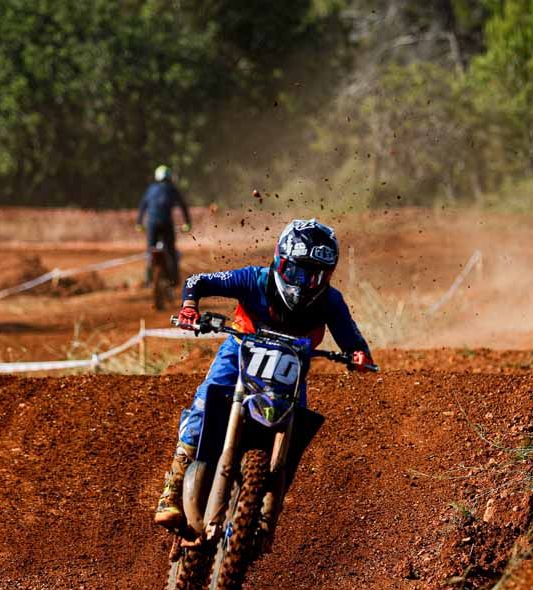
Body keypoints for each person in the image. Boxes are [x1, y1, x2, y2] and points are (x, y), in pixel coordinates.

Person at [154, 218, 375, 527]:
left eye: (315, 276)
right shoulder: (254, 280)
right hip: (240, 350)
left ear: (328, 275)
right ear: (280, 261)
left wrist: (359, 356)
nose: (303, 283)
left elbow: (352, 340)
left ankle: (271, 498)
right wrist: (190, 307)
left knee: (298, 424)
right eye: (297, 272)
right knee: (206, 404)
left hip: (292, 364)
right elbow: (196, 281)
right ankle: (173, 488)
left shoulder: (330, 301)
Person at [136, 165, 192, 286]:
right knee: (171, 250)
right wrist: (187, 223)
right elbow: (183, 206)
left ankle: (148, 279)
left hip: (151, 224)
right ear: (169, 177)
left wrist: (139, 223)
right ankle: (175, 280)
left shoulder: (151, 189)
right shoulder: (172, 189)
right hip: (166, 223)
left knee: (150, 251)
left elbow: (142, 207)